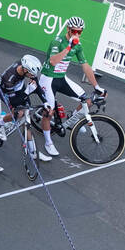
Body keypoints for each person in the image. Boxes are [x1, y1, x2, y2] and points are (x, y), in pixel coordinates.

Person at [38, 16, 104, 155]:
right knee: (48, 113)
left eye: (80, 32)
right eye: (74, 31)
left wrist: (97, 86)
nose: (77, 34)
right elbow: (53, 62)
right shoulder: (57, 41)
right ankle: (48, 142)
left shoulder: (78, 45)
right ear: (68, 29)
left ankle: (72, 121)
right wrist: (69, 47)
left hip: (62, 78)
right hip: (48, 79)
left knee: (87, 101)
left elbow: (85, 66)